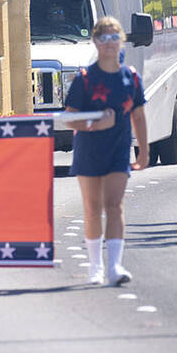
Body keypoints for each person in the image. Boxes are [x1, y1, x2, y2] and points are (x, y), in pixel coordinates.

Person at [62, 16, 147, 285]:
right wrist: (96, 125)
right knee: (92, 207)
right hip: (89, 149)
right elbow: (69, 118)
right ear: (96, 42)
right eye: (103, 38)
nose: (109, 43)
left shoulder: (130, 77)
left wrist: (143, 151)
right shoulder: (85, 79)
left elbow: (139, 115)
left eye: (114, 37)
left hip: (119, 149)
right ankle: (95, 266)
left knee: (114, 205)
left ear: (121, 39)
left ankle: (115, 267)